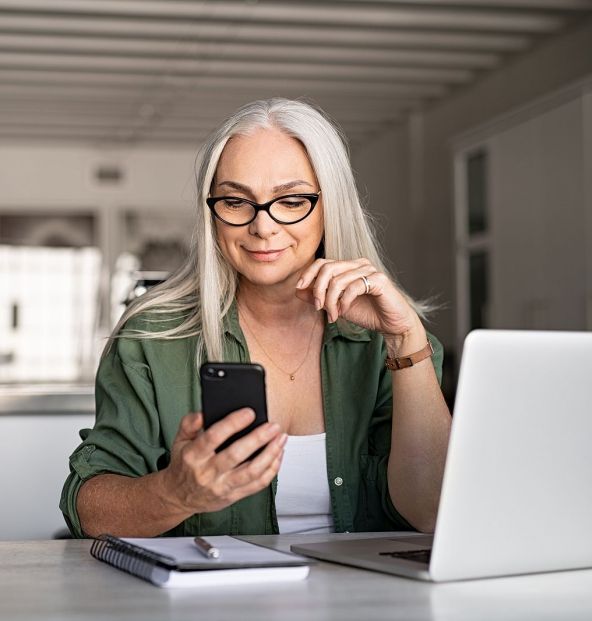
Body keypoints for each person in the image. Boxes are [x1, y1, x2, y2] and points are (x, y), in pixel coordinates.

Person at [60, 98, 452, 538]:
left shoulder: (394, 342)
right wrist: (176, 493)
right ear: (213, 214)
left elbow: (433, 511)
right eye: (235, 201)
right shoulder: (152, 336)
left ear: (330, 206)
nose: (262, 227)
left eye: (290, 201)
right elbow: (89, 510)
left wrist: (406, 342)